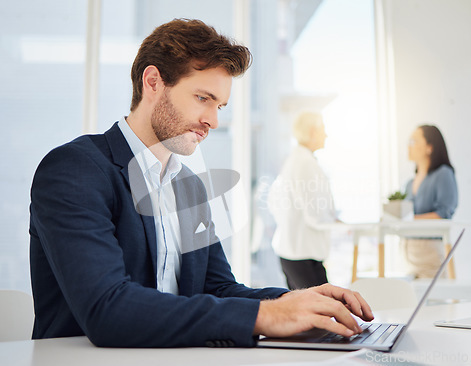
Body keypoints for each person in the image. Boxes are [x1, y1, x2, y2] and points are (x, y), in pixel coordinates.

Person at [29, 19, 373, 348]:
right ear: (153, 82)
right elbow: (107, 309)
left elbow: (218, 288)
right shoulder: (75, 170)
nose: (213, 120)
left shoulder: (189, 186)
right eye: (202, 98)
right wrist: (266, 315)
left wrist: (295, 300)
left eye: (219, 105)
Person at [267, 112, 338, 290]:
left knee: (310, 312)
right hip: (302, 254)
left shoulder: (297, 161)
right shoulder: (304, 164)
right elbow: (315, 214)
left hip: (295, 252)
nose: (326, 135)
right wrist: (337, 224)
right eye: (323, 129)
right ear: (312, 131)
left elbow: (274, 202)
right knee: (321, 310)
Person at [403, 124, 458, 278]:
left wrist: (409, 220)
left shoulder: (443, 174)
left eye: (414, 141)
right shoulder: (409, 183)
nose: (409, 146)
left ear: (429, 147)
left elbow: (444, 214)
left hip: (430, 253)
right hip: (408, 253)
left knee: (434, 300)